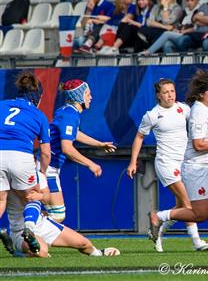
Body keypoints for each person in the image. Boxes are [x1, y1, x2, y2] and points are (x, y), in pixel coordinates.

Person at [148, 70, 208, 252]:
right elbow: (198, 144)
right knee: (200, 214)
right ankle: (160, 216)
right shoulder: (199, 112)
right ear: (202, 94)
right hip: (197, 169)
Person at [127, 78, 208, 252]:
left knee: (181, 207)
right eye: (166, 92)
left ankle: (157, 229)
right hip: (166, 163)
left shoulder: (184, 109)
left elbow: (198, 125)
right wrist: (132, 162)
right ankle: (196, 241)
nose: (170, 95)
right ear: (158, 95)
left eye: (172, 91)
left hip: (185, 163)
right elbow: (139, 137)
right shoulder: (152, 115)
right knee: (189, 205)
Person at [40, 80, 116, 223]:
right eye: (88, 94)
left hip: (47, 165)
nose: (91, 97)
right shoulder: (70, 115)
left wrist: (99, 144)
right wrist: (90, 164)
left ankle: (24, 229)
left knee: (50, 212)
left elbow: (74, 133)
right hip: (49, 168)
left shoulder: (66, 111)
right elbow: (67, 148)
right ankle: (24, 232)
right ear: (79, 96)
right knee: (57, 215)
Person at [0, 72, 51, 255]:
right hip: (20, 156)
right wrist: (42, 173)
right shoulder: (39, 115)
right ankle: (28, 230)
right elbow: (45, 152)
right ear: (36, 96)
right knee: (33, 195)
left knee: (1, 200)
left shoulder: (2, 105)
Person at [6, 177, 120, 258]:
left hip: (43, 224)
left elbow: (46, 198)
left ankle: (98, 254)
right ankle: (18, 251)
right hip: (20, 230)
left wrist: (40, 195)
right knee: (41, 253)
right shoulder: (7, 178)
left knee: (84, 243)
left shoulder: (37, 174)